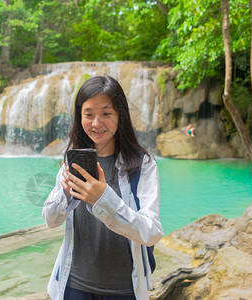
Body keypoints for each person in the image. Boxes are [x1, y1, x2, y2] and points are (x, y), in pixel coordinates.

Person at [43, 75, 164, 300]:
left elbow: (152, 232)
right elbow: (50, 220)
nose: (96, 123)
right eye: (88, 114)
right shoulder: (73, 162)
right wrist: (66, 194)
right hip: (74, 287)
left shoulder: (142, 164)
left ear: (121, 116)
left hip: (123, 290)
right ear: (79, 117)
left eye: (106, 114)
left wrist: (104, 199)